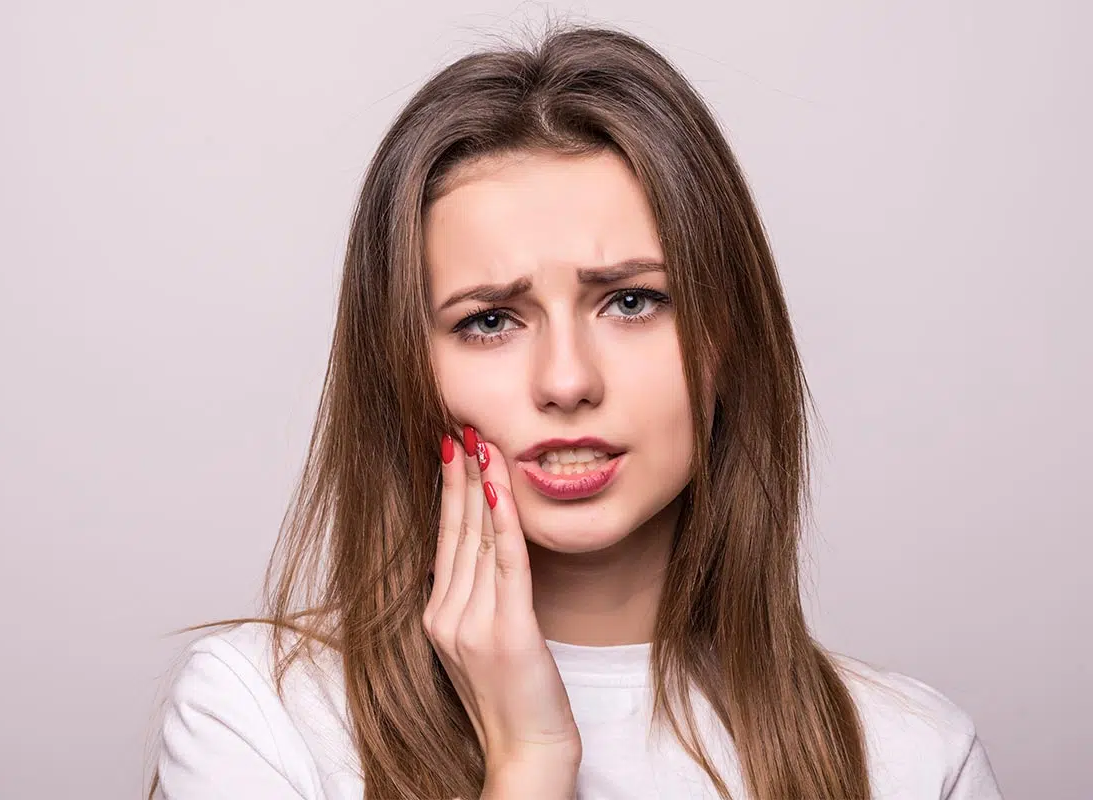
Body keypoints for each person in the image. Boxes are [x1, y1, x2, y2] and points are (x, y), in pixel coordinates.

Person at [145, 22, 1003, 800]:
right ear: (405, 369)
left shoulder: (911, 756)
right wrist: (528, 759)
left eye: (631, 302)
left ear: (727, 337)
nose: (566, 381)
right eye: (489, 320)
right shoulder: (260, 715)